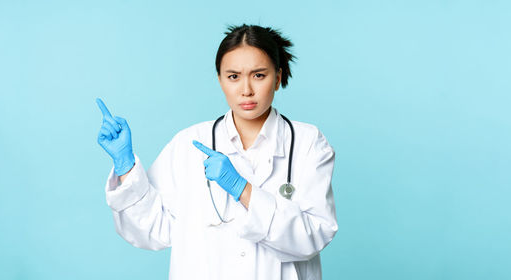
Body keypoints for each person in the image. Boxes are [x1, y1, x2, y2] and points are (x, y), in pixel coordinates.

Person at [96, 23, 338, 280]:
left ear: (277, 78)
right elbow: (154, 229)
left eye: (259, 75)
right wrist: (125, 167)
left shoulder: (307, 142)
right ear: (220, 79)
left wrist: (242, 189)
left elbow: (316, 234)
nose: (246, 89)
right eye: (233, 76)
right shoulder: (189, 143)